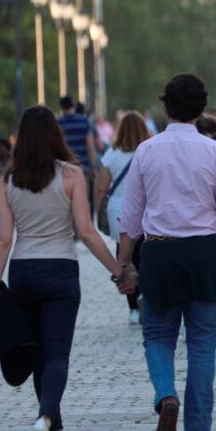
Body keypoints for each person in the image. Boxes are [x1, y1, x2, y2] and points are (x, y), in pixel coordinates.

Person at [0, 106, 132, 431]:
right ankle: (45, 419)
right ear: (56, 134)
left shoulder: (9, 180)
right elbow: (85, 230)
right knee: (57, 356)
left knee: (38, 354)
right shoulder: (71, 175)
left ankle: (56, 429)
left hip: (22, 271)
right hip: (60, 271)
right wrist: (117, 269)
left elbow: (4, 238)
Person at [118, 74, 216, 431]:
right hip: (206, 254)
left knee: (158, 335)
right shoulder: (214, 152)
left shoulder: (146, 151)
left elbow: (130, 217)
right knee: (202, 345)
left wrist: (124, 264)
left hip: (159, 254)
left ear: (166, 106)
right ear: (201, 108)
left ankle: (165, 395)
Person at [95, 112, 150, 325]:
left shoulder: (112, 154)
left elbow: (101, 186)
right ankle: (146, 293)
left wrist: (98, 210)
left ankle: (132, 308)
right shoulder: (148, 150)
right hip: (145, 206)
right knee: (144, 253)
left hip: (118, 207)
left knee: (124, 256)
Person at [56, 96, 98, 204]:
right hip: (83, 166)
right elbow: (90, 145)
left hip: (65, 167)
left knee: (67, 200)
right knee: (84, 199)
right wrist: (93, 166)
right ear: (73, 105)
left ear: (62, 107)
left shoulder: (59, 123)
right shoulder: (84, 121)